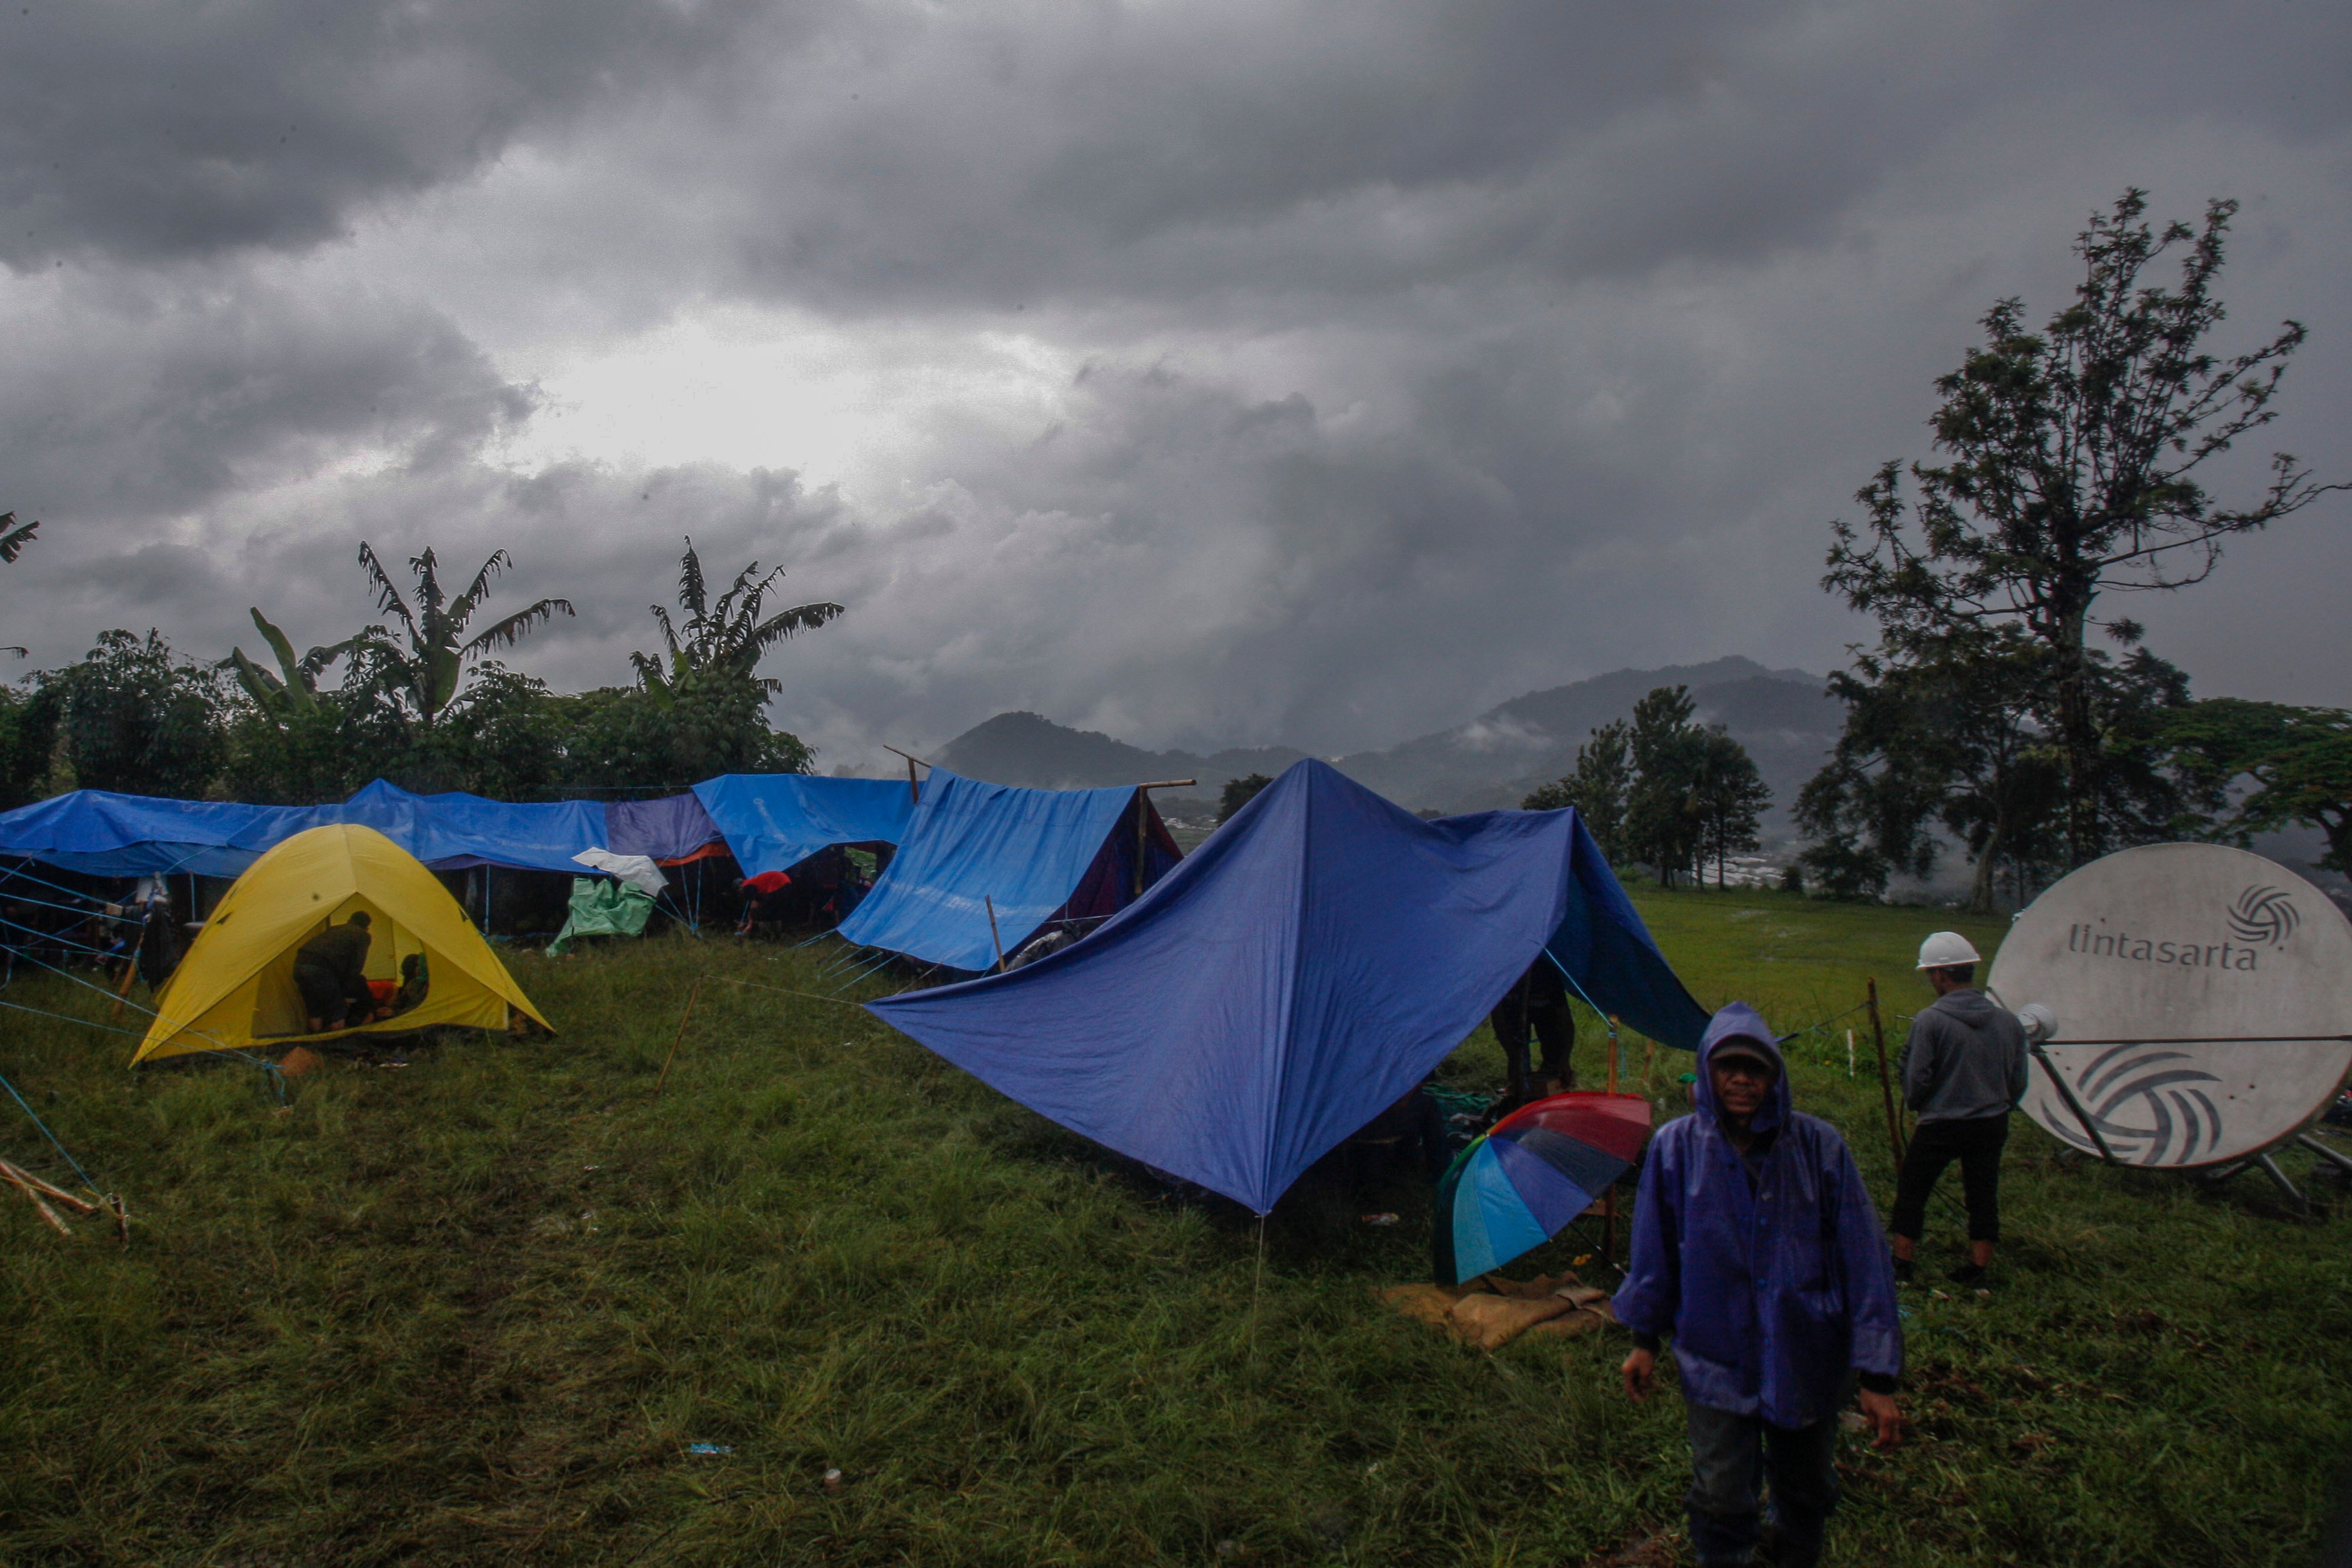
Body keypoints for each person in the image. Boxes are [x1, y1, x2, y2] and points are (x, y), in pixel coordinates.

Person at [1615, 1003, 1903, 1568]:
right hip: (1716, 1353)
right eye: (1729, 1067)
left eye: (1755, 1068)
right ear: (1707, 1072)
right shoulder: (1676, 1149)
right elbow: (1653, 1251)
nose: (1742, 1079)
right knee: (1721, 1492)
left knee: (1806, 1486)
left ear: (1775, 1077)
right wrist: (1644, 1338)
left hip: (1807, 1351)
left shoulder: (1820, 1149)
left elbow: (1865, 1260)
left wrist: (1879, 1374)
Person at [1889, 931, 2028, 1288]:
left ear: (1941, 975)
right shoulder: (2009, 1022)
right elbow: (2018, 1082)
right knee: (1983, 1193)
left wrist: (1919, 1103)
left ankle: (1902, 1265)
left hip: (1941, 1124)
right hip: (1991, 1123)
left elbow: (1917, 1077)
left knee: (1913, 1189)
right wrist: (2000, 1105)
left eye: (1930, 975)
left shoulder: (1930, 1021)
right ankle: (1978, 1270)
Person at [1489, 956, 1574, 1104]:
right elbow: (1498, 1019)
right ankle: (1519, 1098)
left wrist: (1565, 1059)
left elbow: (1565, 1020)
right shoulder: (1502, 974)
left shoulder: (1546, 974)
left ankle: (1551, 1096)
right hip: (1513, 1011)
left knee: (1555, 1057)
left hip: (1547, 1014)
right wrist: (1512, 1053)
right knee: (1519, 1061)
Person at [293, 912, 377, 1033]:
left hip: (300, 964)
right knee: (337, 1010)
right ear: (367, 926)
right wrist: (347, 984)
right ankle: (337, 1045)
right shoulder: (362, 935)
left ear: (350, 920)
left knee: (314, 1008)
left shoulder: (334, 929)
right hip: (321, 968)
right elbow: (357, 965)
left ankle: (316, 1041)